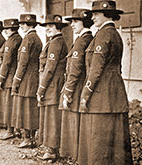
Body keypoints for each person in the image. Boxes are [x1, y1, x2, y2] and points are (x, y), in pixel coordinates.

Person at [78, 1, 132, 164]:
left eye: (96, 14)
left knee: (99, 141)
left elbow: (96, 69)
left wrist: (85, 95)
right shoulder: (113, 34)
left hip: (101, 94)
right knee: (114, 140)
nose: (92, 17)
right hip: (114, 92)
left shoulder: (103, 35)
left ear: (106, 14)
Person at [59, 9, 93, 161]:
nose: (72, 25)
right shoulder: (84, 38)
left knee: (75, 122)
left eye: (75, 22)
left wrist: (68, 91)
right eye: (71, 22)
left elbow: (76, 68)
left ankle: (76, 156)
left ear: (84, 22)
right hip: (78, 85)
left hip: (77, 86)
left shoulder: (83, 40)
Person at [36, 14, 68, 160]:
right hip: (50, 83)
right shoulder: (53, 41)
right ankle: (50, 147)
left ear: (58, 28)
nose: (47, 29)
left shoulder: (56, 42)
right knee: (50, 116)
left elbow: (50, 67)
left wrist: (42, 87)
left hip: (53, 84)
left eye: (50, 26)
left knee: (52, 117)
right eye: (46, 26)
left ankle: (52, 149)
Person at [11, 14, 42, 148]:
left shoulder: (28, 39)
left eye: (23, 24)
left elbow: (22, 63)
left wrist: (16, 81)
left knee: (26, 109)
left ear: (29, 25)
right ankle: (30, 137)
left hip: (26, 79)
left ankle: (28, 138)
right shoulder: (37, 39)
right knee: (31, 109)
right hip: (33, 78)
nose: (21, 26)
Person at [0, 19, 22, 139]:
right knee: (10, 105)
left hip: (9, 77)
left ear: (12, 29)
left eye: (7, 29)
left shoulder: (12, 41)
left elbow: (6, 62)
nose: (5, 31)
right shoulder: (16, 39)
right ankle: (14, 130)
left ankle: (10, 131)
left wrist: (1, 78)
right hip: (11, 76)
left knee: (8, 105)